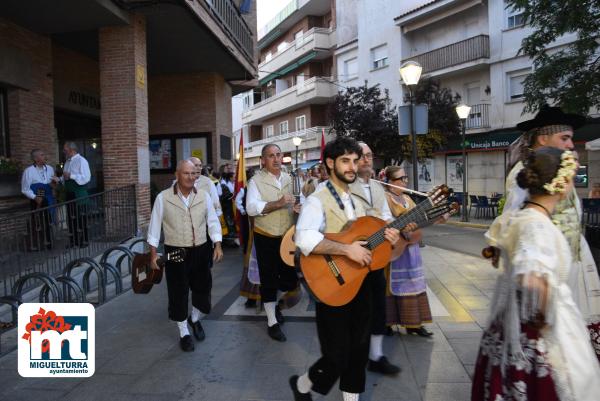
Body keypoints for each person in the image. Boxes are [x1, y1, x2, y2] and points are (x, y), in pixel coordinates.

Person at [472, 147, 600, 401]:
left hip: (510, 324)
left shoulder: (521, 217)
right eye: (571, 178)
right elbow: (530, 274)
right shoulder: (536, 225)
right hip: (535, 332)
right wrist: (546, 314)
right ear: (560, 183)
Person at [289, 137, 403, 401]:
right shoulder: (317, 199)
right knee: (337, 354)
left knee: (359, 350)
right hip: (331, 283)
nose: (353, 167)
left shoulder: (358, 200)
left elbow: (369, 237)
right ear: (330, 163)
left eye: (355, 160)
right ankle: (303, 384)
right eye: (345, 161)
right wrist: (346, 250)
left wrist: (390, 237)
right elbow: (304, 238)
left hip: (361, 281)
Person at [502, 105, 600, 357]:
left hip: (569, 260)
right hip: (545, 264)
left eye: (570, 138)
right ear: (544, 138)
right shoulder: (524, 173)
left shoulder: (558, 167)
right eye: (564, 138)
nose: (570, 145)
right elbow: (516, 223)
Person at [147, 160, 223, 352]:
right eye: (186, 173)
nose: (191, 177)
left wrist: (218, 244)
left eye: (193, 173)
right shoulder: (163, 198)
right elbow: (154, 227)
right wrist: (153, 255)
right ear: (177, 174)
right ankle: (184, 332)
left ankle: (194, 319)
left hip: (201, 249)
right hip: (175, 251)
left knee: (203, 287)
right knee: (178, 291)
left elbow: (213, 221)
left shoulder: (204, 196)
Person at [350, 142, 401, 375]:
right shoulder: (345, 187)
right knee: (357, 309)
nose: (366, 159)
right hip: (352, 257)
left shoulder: (379, 188)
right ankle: (354, 354)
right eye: (361, 156)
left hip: (377, 256)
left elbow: (387, 217)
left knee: (379, 306)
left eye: (369, 155)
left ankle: (376, 355)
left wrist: (394, 228)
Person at [246, 144, 300, 342]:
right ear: (263, 160)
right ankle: (272, 322)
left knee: (288, 280)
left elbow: (296, 202)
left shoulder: (290, 178)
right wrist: (277, 203)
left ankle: (274, 305)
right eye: (271, 156)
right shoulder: (255, 181)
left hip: (286, 236)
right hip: (265, 235)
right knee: (268, 279)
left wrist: (298, 207)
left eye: (278, 155)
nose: (276, 159)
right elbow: (251, 208)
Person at [383, 166, 434, 337]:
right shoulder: (385, 198)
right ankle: (387, 324)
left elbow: (418, 219)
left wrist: (433, 217)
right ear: (390, 182)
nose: (405, 181)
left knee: (414, 284)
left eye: (406, 178)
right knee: (391, 286)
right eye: (401, 178)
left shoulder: (407, 198)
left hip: (410, 249)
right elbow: (385, 222)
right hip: (395, 249)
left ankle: (414, 324)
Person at [56, 141, 91, 247]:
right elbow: (65, 178)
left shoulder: (82, 161)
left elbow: (86, 178)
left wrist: (71, 176)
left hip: (79, 193)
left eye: (65, 150)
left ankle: (84, 241)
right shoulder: (67, 162)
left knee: (81, 218)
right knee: (71, 218)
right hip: (69, 193)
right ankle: (73, 241)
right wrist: (58, 179)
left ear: (72, 150)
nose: (63, 151)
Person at [21, 149, 56, 250]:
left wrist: (53, 185)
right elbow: (24, 189)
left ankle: (49, 243)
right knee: (39, 222)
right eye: (42, 155)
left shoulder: (49, 169)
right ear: (36, 159)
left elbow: (53, 185)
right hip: (37, 200)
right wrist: (35, 197)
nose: (45, 156)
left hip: (48, 198)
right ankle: (39, 244)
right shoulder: (28, 171)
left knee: (49, 220)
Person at [235, 168, 260, 307]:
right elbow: (246, 206)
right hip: (254, 231)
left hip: (266, 231)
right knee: (253, 264)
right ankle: (251, 297)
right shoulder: (247, 189)